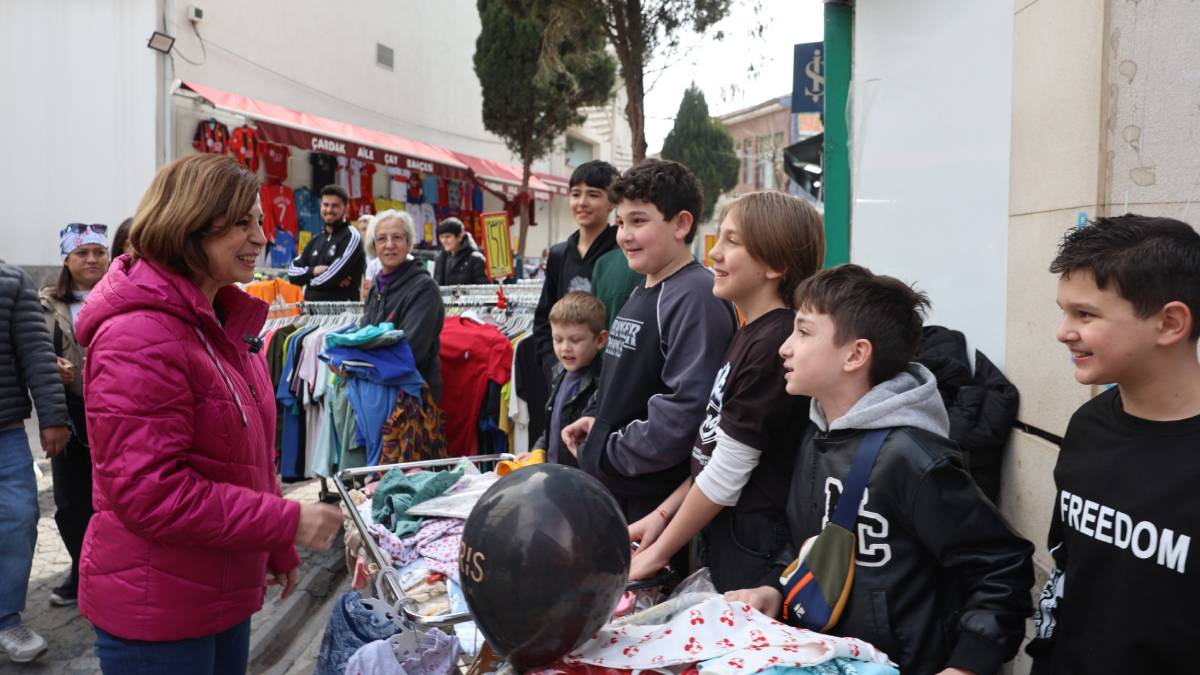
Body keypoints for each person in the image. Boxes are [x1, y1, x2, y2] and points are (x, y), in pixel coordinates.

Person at [74, 154, 342, 674]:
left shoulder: (221, 321)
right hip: (158, 611)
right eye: (241, 222)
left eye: (259, 221)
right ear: (189, 224)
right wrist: (286, 521)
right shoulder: (140, 335)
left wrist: (275, 542)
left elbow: (247, 456)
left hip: (218, 593)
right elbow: (151, 493)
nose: (260, 237)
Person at [726, 264, 1034, 675]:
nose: (785, 347)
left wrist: (966, 665)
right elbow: (811, 545)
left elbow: (1001, 565)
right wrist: (772, 587)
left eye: (803, 332)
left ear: (855, 354)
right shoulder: (817, 434)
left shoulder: (912, 457)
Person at [1025, 215, 1200, 673]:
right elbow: (1066, 572)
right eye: (1064, 311)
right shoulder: (1087, 426)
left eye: (1085, 314)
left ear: (1169, 323)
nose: (1063, 331)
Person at [626, 192, 823, 592]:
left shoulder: (774, 343)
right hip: (724, 537)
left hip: (754, 552)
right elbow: (710, 452)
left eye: (733, 242)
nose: (715, 253)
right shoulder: (750, 331)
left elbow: (726, 473)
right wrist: (662, 517)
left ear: (776, 264)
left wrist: (658, 552)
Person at [563, 159, 738, 548]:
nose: (625, 235)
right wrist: (595, 420)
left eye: (638, 221)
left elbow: (687, 409)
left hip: (651, 500)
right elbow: (626, 380)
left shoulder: (696, 296)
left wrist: (609, 451)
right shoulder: (645, 289)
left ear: (681, 224)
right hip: (620, 485)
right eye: (621, 222)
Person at [0, 262, 70, 664]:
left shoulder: (10, 281)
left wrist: (53, 418)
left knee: (17, 518)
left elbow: (36, 353)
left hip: (6, 433)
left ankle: (7, 617)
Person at [38, 223, 110, 608]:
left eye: (99, 252)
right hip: (71, 411)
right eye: (82, 253)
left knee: (113, 497)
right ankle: (81, 567)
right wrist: (53, 366)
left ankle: (106, 570)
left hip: (119, 414)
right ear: (66, 259)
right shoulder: (47, 303)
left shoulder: (123, 295)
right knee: (70, 500)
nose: (92, 259)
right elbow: (29, 352)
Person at [532, 160, 642, 382]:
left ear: (612, 203)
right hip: (566, 376)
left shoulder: (625, 252)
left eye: (593, 194)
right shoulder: (559, 254)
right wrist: (553, 366)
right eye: (575, 194)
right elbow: (544, 316)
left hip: (610, 375)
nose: (582, 202)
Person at [361, 209, 446, 402]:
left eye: (397, 237)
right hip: (377, 392)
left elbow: (409, 351)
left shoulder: (424, 289)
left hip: (411, 402)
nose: (389, 245)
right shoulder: (376, 288)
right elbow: (363, 334)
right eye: (382, 238)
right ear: (374, 245)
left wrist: (356, 362)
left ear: (409, 243)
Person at [530, 291, 608, 468]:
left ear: (600, 340)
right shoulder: (559, 374)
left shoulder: (602, 382)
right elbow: (552, 425)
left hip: (579, 480)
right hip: (555, 475)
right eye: (557, 340)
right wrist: (536, 453)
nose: (565, 348)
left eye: (575, 340)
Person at [287, 185, 366, 302]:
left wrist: (306, 282)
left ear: (346, 209)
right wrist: (312, 271)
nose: (329, 210)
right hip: (312, 315)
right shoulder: (315, 240)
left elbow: (332, 276)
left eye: (335, 206)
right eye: (325, 205)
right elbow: (292, 273)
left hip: (342, 316)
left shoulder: (352, 237)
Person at [433, 217, 487, 285]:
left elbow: (483, 290)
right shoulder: (440, 259)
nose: (444, 241)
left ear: (460, 236)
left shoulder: (476, 259)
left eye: (448, 236)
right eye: (441, 237)